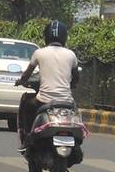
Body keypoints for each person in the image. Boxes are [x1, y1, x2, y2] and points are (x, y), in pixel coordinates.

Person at [14, 20, 79, 150]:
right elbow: (76, 79)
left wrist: (21, 81)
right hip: (66, 101)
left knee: (26, 101)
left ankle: (26, 137)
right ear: (64, 37)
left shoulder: (39, 53)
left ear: (46, 36)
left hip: (43, 101)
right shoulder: (71, 55)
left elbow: (26, 75)